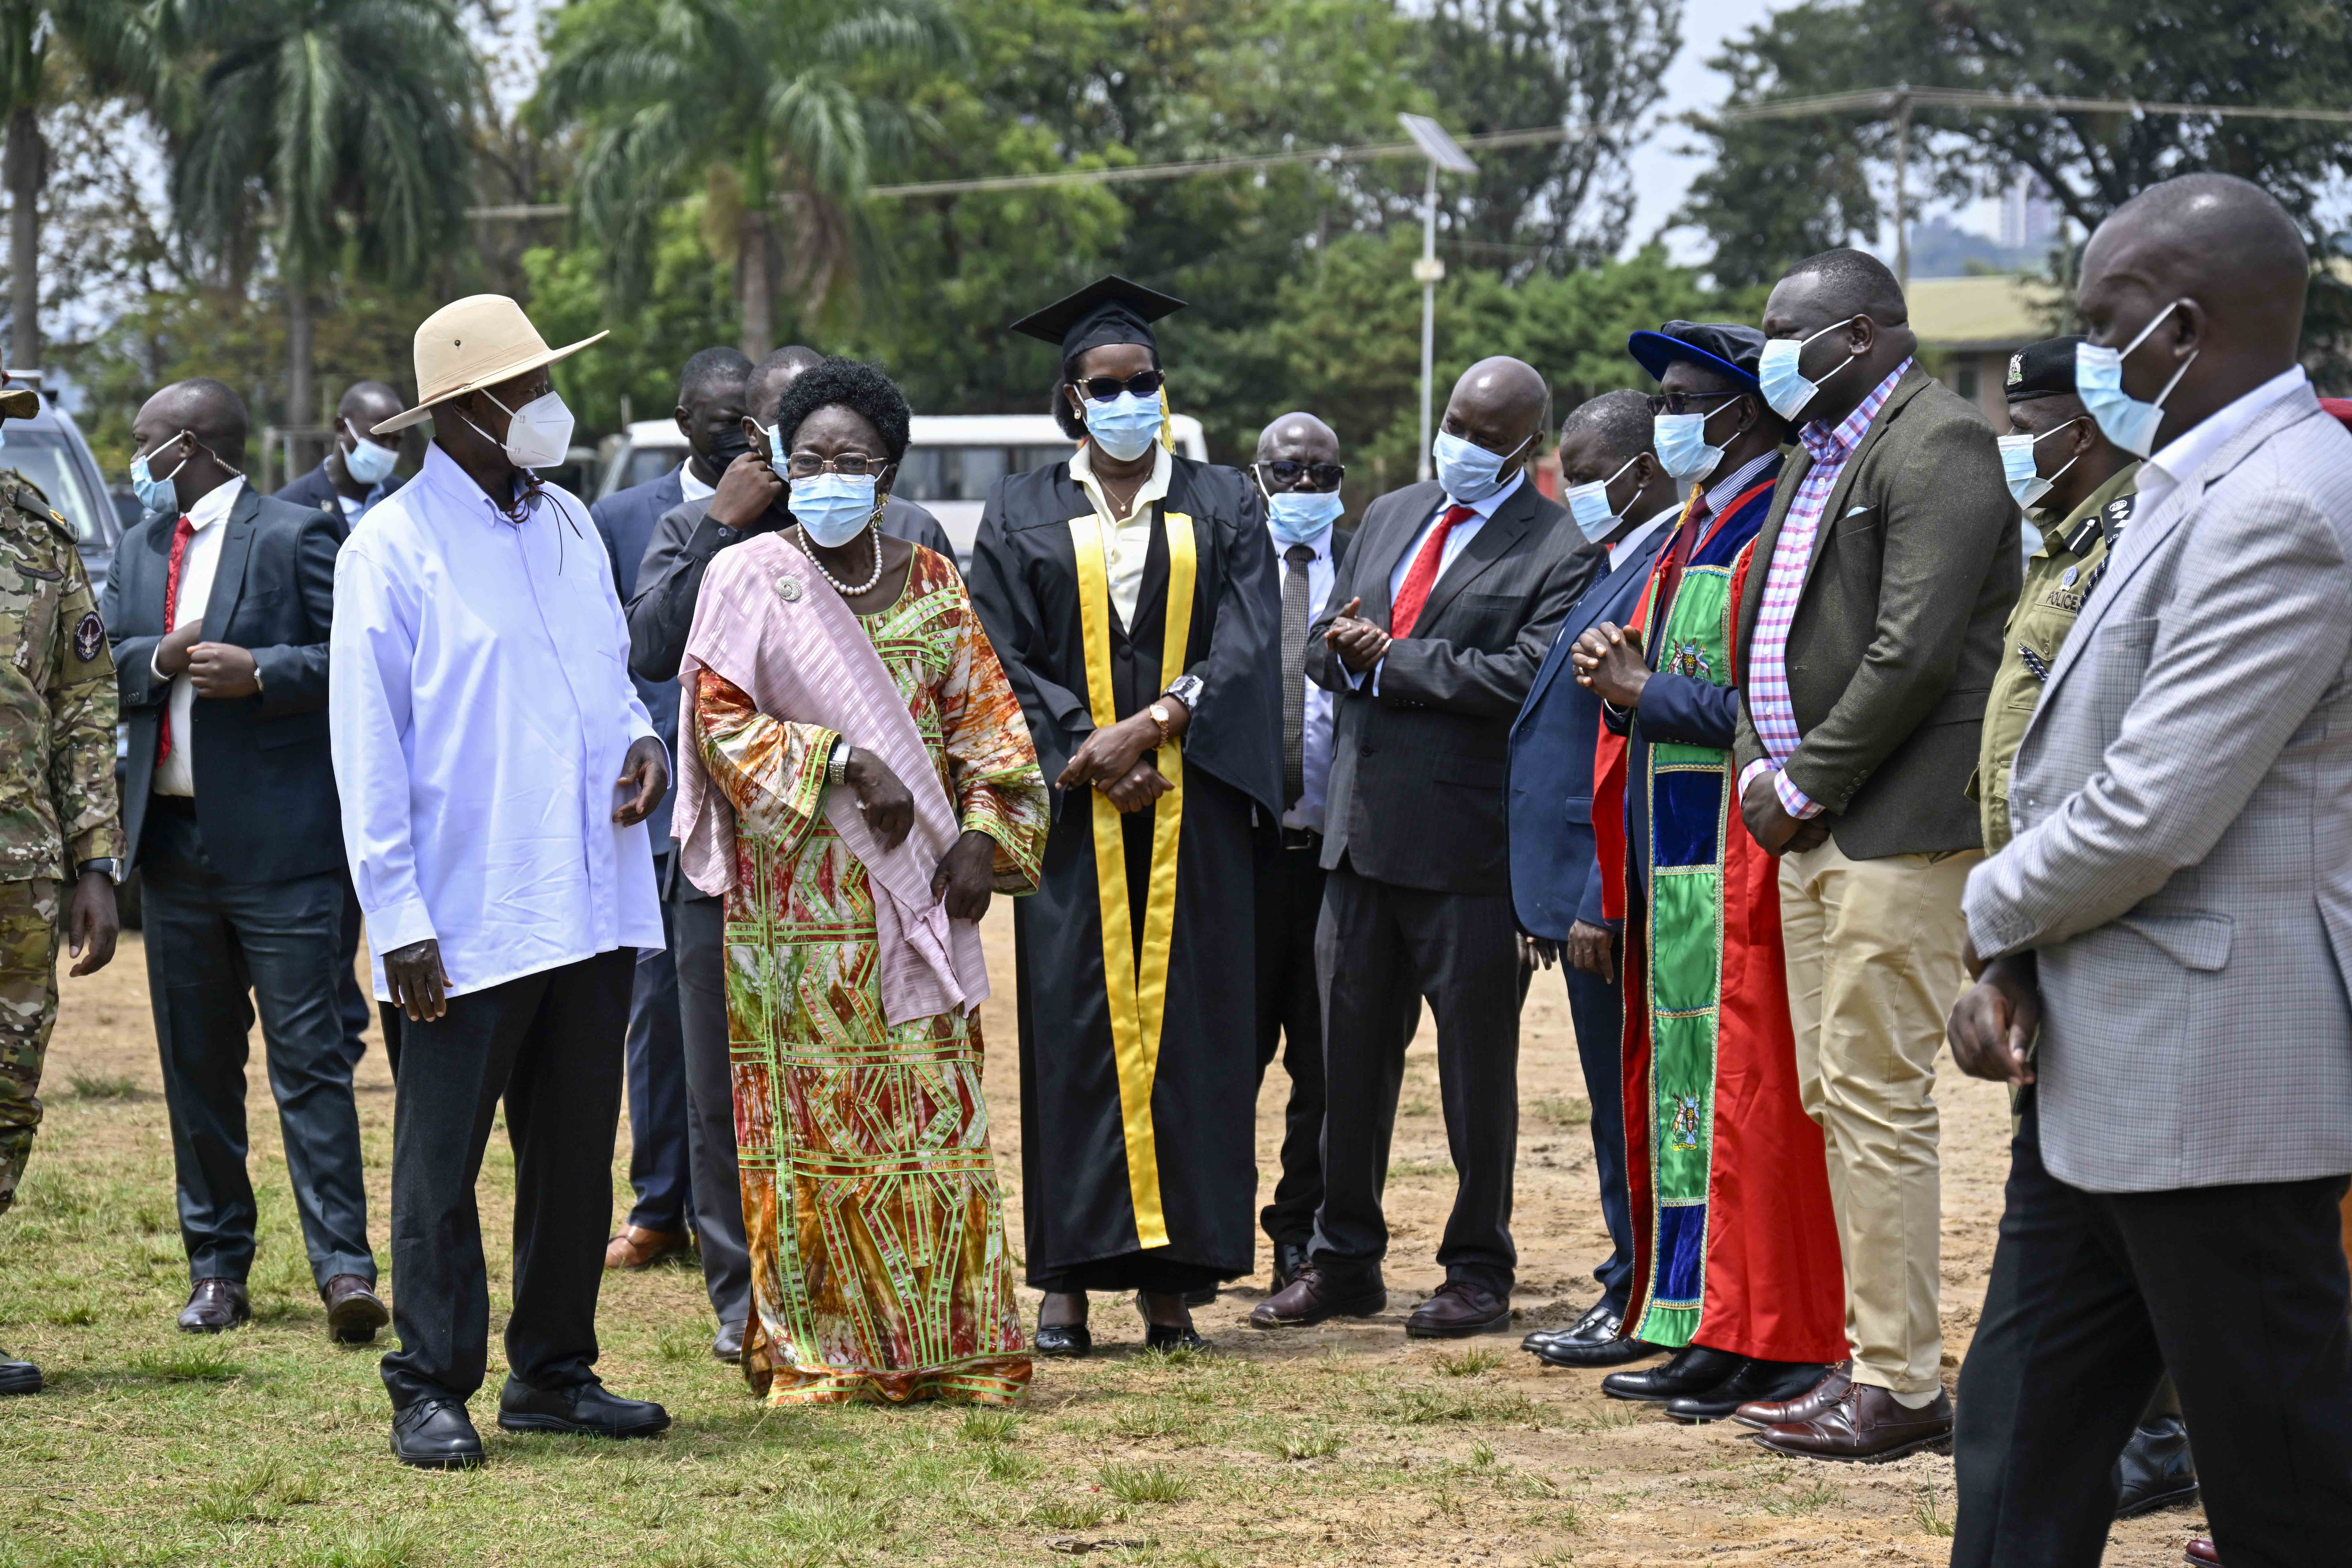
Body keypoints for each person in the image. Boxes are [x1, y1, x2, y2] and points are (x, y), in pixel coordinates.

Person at [1947, 173, 2352, 1567]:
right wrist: (2018, 956)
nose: (2083, 354)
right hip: (2101, 1049)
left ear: (2176, 330)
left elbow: (2146, 810)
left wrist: (1982, 911)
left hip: (2221, 1075)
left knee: (2278, 1480)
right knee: (2015, 1446)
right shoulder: (2179, 486)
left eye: (2098, 323)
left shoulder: (2288, 504)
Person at [333, 294, 671, 1468]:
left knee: (577, 1152)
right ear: (473, 409)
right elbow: (367, 749)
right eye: (533, 389)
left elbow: (608, 679)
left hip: (587, 898)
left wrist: (646, 741)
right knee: (440, 1165)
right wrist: (401, 917)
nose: (551, 406)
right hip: (462, 915)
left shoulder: (570, 520)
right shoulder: (393, 547)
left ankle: (555, 1371)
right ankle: (429, 1383)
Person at [671, 356, 1048, 1404]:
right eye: (808, 459)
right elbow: (718, 721)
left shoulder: (932, 578)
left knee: (931, 1127)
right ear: (781, 468)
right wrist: (841, 758)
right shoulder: (745, 576)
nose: (827, 475)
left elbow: (988, 724)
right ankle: (818, 1354)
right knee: (812, 1136)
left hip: (922, 897)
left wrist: (982, 833)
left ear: (887, 473)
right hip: (795, 910)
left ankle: (952, 1347)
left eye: (851, 460)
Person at [1728, 250, 2018, 1461]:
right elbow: (1768, 629)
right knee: (1836, 1096)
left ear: (1856, 333)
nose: (1766, 355)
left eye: (1781, 332)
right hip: (1814, 823)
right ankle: (1873, 1357)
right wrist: (1756, 759)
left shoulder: (1938, 444)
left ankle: (1899, 1382)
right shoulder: (1817, 450)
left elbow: (1913, 652)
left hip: (1893, 826)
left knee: (1878, 1100)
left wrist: (1800, 781)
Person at [969, 275, 1281, 1355]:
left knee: (1191, 1038)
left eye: (1143, 383)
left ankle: (1170, 1284)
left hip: (1193, 808)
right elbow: (1000, 653)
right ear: (1071, 399)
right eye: (1106, 386)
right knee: (1070, 1038)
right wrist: (1087, 753)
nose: (1128, 400)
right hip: (1075, 816)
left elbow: (1246, 642)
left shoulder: (1224, 499)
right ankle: (1064, 1278)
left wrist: (1152, 725)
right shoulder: (1017, 509)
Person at [625, 343, 954, 1363]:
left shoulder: (913, 540)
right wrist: (725, 523)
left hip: (866, 865)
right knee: (725, 1090)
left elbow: (953, 693)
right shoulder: (697, 531)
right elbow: (648, 651)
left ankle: (863, 1278)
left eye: (831, 443)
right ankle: (745, 1297)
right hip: (729, 860)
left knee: (864, 1079)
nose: (807, 462)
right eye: (777, 437)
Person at [1255, 356, 1594, 1339]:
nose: (1466, 448)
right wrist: (1342, 650)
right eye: (1457, 424)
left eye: (1490, 439)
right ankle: (1343, 1259)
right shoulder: (1398, 513)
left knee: (1474, 1075)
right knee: (1345, 1069)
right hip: (1357, 845)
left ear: (1527, 447)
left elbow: (1528, 675)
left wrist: (1391, 659)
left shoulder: (1560, 543)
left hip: (1469, 855)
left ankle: (1477, 1267)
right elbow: (1327, 639)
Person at [1560, 324, 1844, 1420]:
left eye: (1682, 400)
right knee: (1686, 1104)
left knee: (1753, 1110)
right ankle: (1702, 1321)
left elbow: (1781, 712)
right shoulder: (1695, 523)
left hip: (1739, 867)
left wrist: (1641, 692)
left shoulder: (1772, 525)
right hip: (1673, 871)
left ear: (1744, 410)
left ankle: (1774, 1334)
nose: (1666, 417)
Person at [101, 379, 382, 1341]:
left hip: (283, 853)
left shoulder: (294, 533)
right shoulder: (140, 547)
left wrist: (263, 671)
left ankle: (344, 1267)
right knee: (197, 1069)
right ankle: (217, 1265)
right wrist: (163, 660)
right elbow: (106, 658)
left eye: (141, 441)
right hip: (173, 850)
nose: (130, 459)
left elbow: (354, 656)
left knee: (309, 1064)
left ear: (186, 444)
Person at [1976, 337, 2194, 1520]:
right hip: (2044, 912)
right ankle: (2146, 1423)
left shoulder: (2135, 537)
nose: (2017, 442)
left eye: (2034, 418)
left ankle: (2163, 1431)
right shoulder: (2069, 539)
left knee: (2137, 1200)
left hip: (2099, 911)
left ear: (2093, 421)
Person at [1506, 387, 1680, 1370]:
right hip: (1578, 882)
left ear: (1639, 470)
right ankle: (1633, 1278)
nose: (1567, 491)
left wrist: (1594, 901)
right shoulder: (1611, 561)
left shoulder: (1659, 567)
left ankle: (1637, 1292)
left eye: (1579, 473)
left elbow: (1631, 750)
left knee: (1629, 1113)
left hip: (1606, 888)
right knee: (1614, 1110)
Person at [588, 345, 751, 1276]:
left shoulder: (780, 506)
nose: (736, 431)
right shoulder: (619, 517)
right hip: (650, 798)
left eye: (749, 414)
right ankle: (659, 1204)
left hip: (752, 798)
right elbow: (607, 647)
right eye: (720, 416)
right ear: (685, 416)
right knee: (654, 1016)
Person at [0, 382, 122, 1396]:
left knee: (6, 1093)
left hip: (22, 870)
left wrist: (95, 861)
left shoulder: (41, 541)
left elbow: (84, 706)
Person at [274, 379, 407, 1079]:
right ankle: (340, 1037)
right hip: (323, 743)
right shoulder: (293, 510)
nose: (386, 452)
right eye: (376, 438)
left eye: (397, 441)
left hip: (402, 735)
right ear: (342, 429)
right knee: (332, 906)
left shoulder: (408, 509)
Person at [1248, 410, 1350, 1296]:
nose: (1307, 490)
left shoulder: (1368, 567)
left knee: (1322, 1065)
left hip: (1331, 860)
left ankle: (1301, 1236)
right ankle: (1209, 1235)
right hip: (1239, 858)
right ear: (1259, 475)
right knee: (1226, 1053)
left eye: (1323, 474)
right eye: (1290, 473)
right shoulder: (1229, 564)